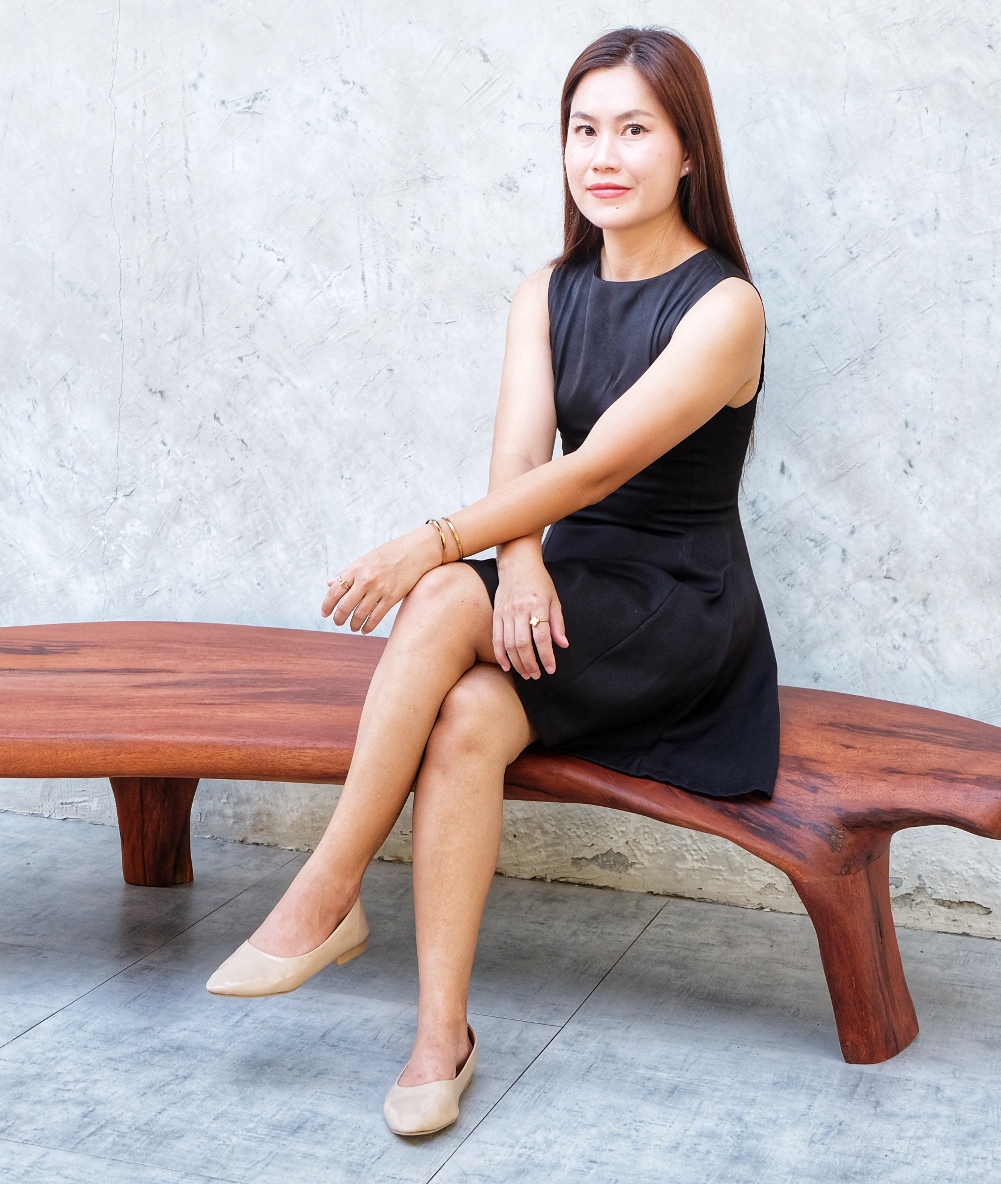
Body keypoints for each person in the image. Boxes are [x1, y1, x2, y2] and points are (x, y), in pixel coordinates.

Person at [206, 26, 779, 1137]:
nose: (602, 155)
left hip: (680, 607)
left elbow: (595, 468)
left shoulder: (725, 308)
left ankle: (328, 887)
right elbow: (521, 460)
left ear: (687, 152)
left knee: (434, 594)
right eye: (583, 129)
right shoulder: (549, 290)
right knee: (468, 714)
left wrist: (433, 546)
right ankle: (440, 1038)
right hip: (569, 585)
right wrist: (516, 565)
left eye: (634, 130)